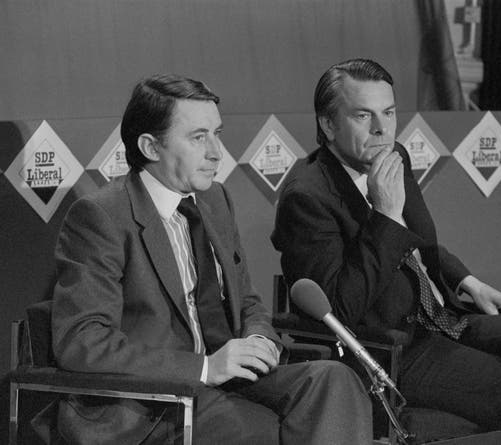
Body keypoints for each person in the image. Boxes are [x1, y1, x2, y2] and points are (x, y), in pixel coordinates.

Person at [271, 59, 501, 444]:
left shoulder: (394, 156)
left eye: (389, 113)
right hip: (394, 349)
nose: (382, 128)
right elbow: (338, 311)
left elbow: (419, 245)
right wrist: (386, 216)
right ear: (327, 123)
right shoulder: (306, 199)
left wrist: (465, 280)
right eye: (363, 115)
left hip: (445, 316)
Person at [47, 74, 372, 444]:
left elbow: (247, 301)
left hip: (226, 380)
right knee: (264, 429)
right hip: (153, 403)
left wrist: (258, 339)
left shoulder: (215, 199)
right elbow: (82, 341)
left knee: (334, 380)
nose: (217, 151)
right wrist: (204, 368)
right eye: (199, 137)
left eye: (217, 133)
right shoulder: (102, 216)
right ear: (151, 147)